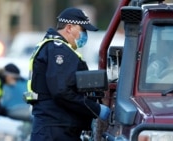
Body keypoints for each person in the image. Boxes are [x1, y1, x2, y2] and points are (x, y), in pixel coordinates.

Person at [26, 7, 110, 141]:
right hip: (56, 131)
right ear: (69, 28)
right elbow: (62, 91)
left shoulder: (52, 47)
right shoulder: (59, 51)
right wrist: (95, 108)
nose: (85, 35)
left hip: (54, 129)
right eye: (83, 30)